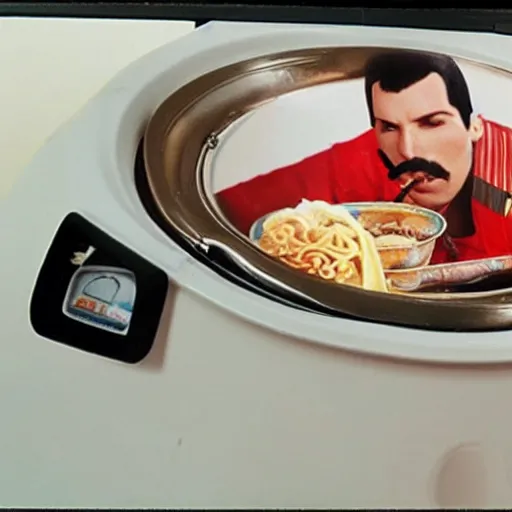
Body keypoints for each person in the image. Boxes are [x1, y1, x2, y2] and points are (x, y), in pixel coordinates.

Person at [215, 49, 512, 265]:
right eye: (389, 127)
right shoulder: (360, 159)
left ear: (474, 125)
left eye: (432, 123)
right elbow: (225, 217)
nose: (408, 150)